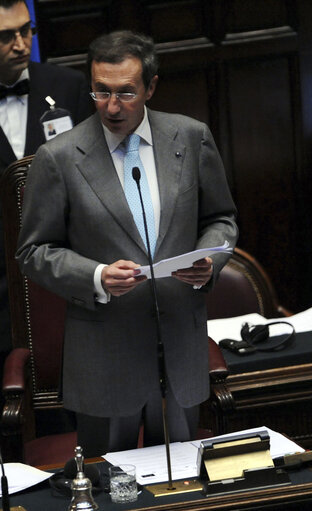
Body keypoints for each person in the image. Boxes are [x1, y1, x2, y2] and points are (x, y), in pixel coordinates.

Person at [16, 30, 239, 457]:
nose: (112, 106)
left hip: (179, 347)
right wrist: (97, 276)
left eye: (125, 92)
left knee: (182, 483)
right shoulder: (59, 157)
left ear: (151, 87)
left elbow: (220, 219)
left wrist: (210, 259)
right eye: (101, 92)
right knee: (110, 489)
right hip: (105, 355)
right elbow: (33, 251)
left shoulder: (191, 138)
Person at [0, 0, 92, 367]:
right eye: (6, 36)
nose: (21, 44)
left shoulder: (67, 86)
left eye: (26, 30)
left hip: (64, 275)